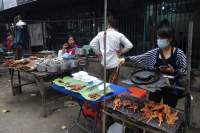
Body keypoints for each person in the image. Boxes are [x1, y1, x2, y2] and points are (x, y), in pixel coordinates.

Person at [119, 20, 187, 108]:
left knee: (168, 109)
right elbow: (141, 57)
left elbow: (185, 70)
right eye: (158, 38)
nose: (158, 40)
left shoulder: (178, 53)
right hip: (155, 86)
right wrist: (126, 59)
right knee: (152, 107)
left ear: (170, 39)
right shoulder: (155, 52)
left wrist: (175, 71)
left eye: (161, 38)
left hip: (172, 88)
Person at [90, 16, 133, 83]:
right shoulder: (119, 35)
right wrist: (121, 52)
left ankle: (104, 93)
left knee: (103, 84)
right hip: (115, 63)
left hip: (103, 63)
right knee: (114, 84)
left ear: (108, 24)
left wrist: (98, 53)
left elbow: (92, 44)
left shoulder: (101, 34)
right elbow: (129, 45)